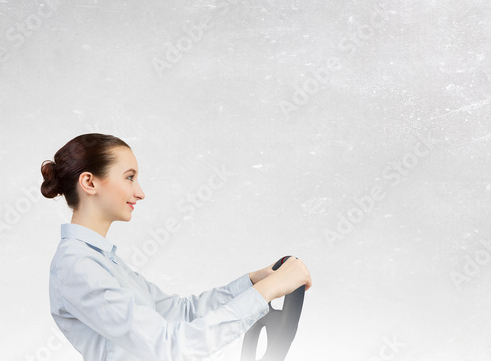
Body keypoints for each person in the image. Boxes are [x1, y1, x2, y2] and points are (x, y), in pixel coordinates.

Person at [41, 133, 312, 360]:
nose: (140, 192)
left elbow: (180, 312)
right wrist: (267, 292)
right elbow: (169, 347)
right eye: (130, 177)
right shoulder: (77, 266)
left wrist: (253, 283)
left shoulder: (101, 260)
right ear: (89, 182)